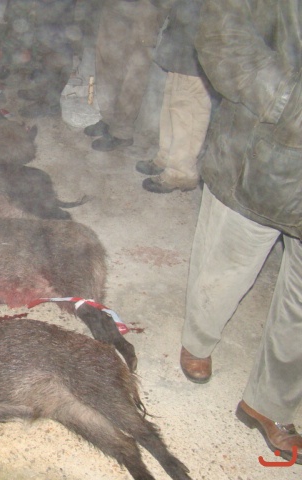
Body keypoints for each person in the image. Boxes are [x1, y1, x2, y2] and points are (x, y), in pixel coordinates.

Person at [180, 0, 302, 463]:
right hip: (258, 155)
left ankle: (269, 403)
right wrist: (290, 103)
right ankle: (199, 338)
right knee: (225, 267)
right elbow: (222, 34)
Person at [135, 0, 212, 194]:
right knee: (173, 104)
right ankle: (166, 156)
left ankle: (181, 172)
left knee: (189, 109)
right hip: (184, 37)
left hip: (201, 40)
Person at [84, 0, 168, 152]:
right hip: (115, 7)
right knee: (107, 65)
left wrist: (156, 12)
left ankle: (122, 132)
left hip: (144, 12)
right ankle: (107, 118)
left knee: (133, 78)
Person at [0, 0, 79, 118]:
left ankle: (49, 105)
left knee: (57, 60)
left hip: (60, 30)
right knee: (44, 58)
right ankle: (41, 92)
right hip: (47, 25)